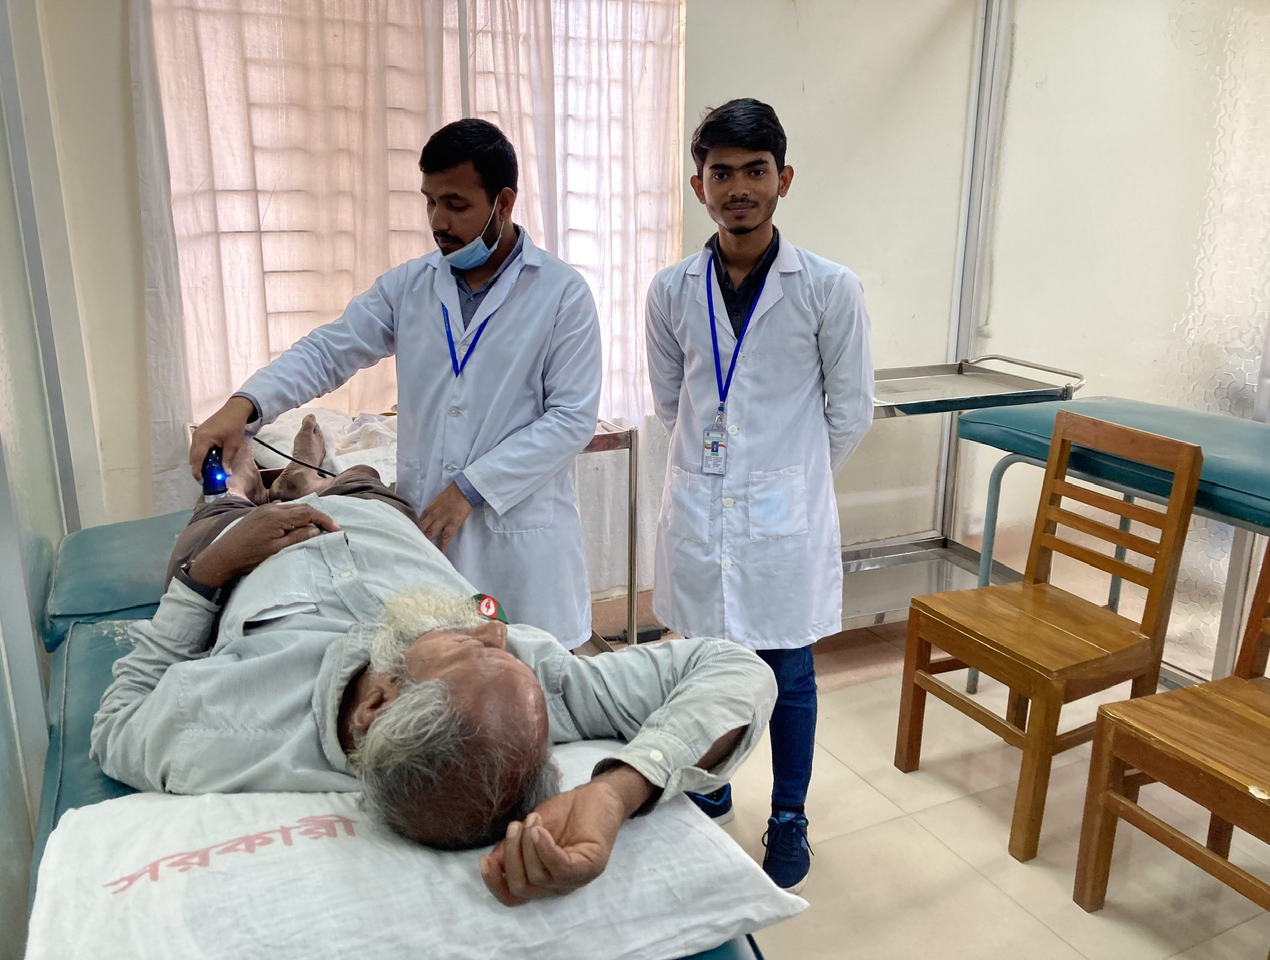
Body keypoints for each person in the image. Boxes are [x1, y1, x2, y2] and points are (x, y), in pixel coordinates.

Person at [91, 419, 776, 906]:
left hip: (239, 551)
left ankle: (254, 486)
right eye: (484, 644)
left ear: (378, 702)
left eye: (467, 648)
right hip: (379, 517)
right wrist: (618, 790)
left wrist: (210, 572)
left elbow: (116, 720)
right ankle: (309, 472)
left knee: (225, 491)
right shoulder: (527, 682)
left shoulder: (223, 729)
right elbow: (735, 669)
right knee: (357, 480)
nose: (494, 632)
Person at [187, 118, 602, 650]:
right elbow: (327, 351)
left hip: (520, 545)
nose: (438, 221)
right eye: (430, 202)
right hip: (428, 541)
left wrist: (469, 489)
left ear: (503, 202)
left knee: (534, 677)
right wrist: (243, 406)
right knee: (439, 676)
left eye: (456, 204)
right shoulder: (410, 286)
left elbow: (570, 420)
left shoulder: (562, 294)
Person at [644, 98, 874, 893]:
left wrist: (788, 478)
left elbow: (850, 411)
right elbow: (672, 402)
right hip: (702, 508)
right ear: (698, 187)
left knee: (789, 672)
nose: (738, 188)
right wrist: (727, 478)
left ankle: (788, 815)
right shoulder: (670, 291)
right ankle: (711, 782)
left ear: (784, 179)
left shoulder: (829, 288)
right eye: (721, 173)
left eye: (755, 171)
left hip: (785, 518)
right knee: (706, 662)